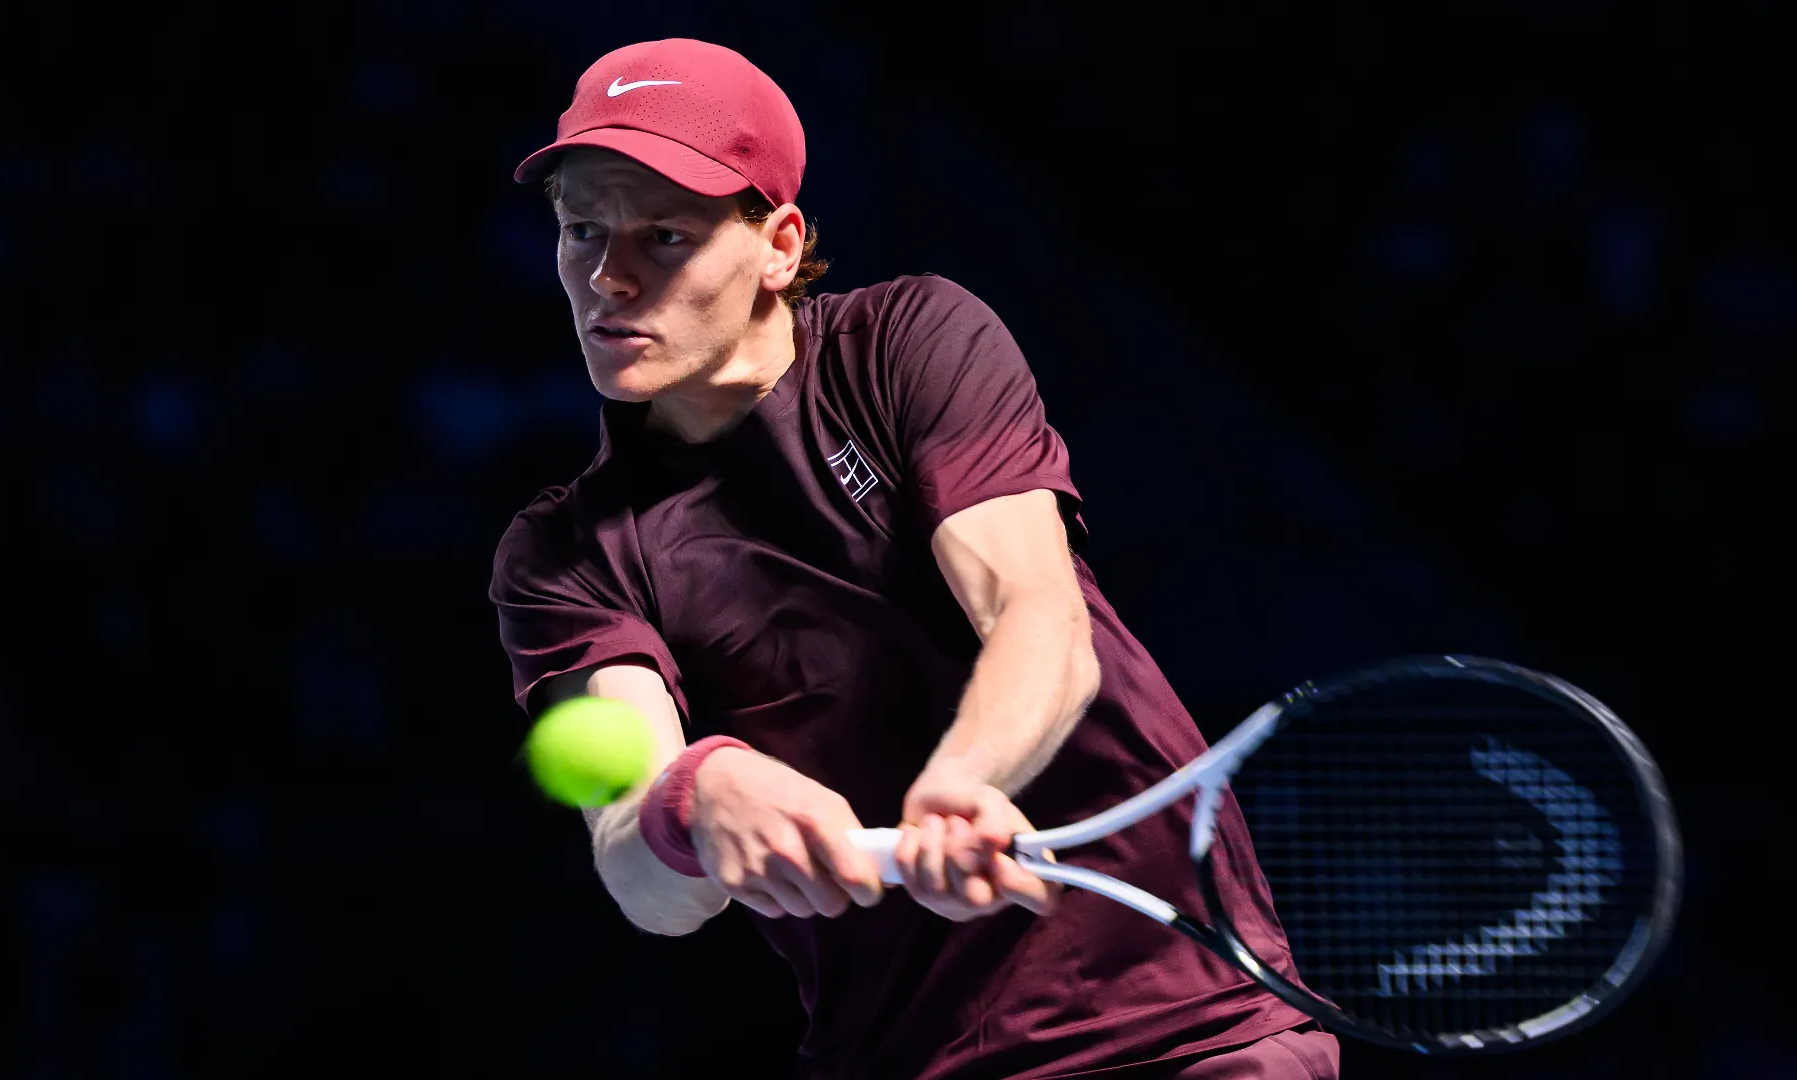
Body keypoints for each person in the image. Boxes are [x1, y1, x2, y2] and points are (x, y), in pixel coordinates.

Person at [490, 37, 1341, 1080]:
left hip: (1183, 1032)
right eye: (582, 230)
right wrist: (690, 801)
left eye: (663, 235)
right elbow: (641, 875)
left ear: (778, 246)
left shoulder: (907, 343)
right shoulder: (564, 556)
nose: (606, 278)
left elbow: (1037, 613)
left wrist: (961, 783)